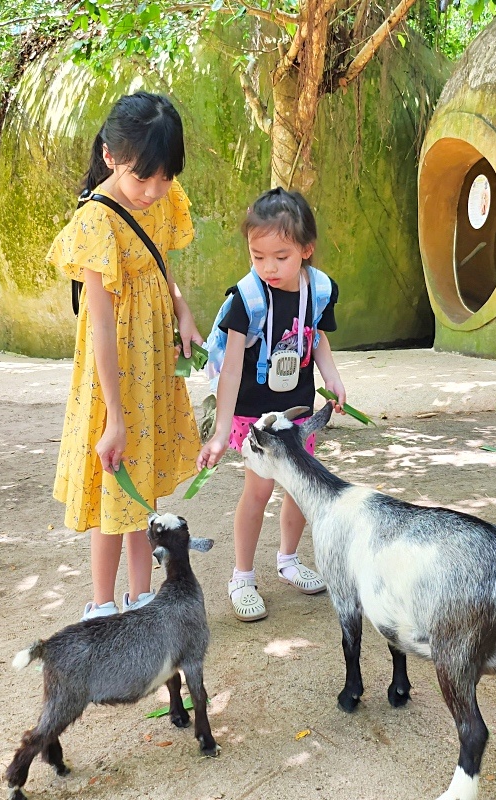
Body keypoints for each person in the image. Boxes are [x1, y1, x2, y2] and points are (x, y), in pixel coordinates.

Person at [49, 92, 203, 620]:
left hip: (154, 364)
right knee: (114, 482)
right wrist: (114, 418)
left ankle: (142, 599)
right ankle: (100, 604)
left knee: (144, 481)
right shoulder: (95, 221)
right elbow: (100, 330)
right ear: (110, 157)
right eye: (143, 179)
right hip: (113, 375)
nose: (154, 191)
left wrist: (182, 310)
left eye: (164, 177)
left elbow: (162, 265)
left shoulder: (160, 194)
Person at [196, 188, 347, 622]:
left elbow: (316, 336)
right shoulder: (246, 300)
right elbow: (230, 370)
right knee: (258, 491)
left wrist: (332, 379)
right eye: (257, 255)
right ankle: (242, 577)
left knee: (300, 488)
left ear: (306, 249)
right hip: (252, 413)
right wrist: (223, 432)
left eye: (280, 256)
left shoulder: (319, 290)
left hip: (297, 413)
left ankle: (288, 559)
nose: (268, 267)